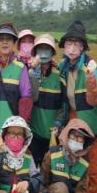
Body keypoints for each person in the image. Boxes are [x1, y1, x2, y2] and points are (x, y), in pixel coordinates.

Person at [57, 20, 97, 193]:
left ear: (83, 47)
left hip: (94, 126)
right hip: (74, 122)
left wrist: (91, 82)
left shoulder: (90, 67)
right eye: (69, 43)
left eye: (77, 43)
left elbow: (95, 100)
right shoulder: (62, 67)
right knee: (74, 168)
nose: (72, 48)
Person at [40, 118, 97, 193]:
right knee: (62, 190)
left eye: (80, 137)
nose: (77, 140)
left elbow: (81, 192)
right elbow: (41, 184)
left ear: (85, 142)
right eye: (74, 136)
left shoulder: (84, 162)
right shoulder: (53, 154)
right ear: (66, 136)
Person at [0, 23, 33, 148]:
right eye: (1, 39)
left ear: (14, 43)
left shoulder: (20, 67)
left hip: (11, 132)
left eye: (8, 39)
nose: (5, 42)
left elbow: (26, 100)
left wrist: (20, 129)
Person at [28, 34, 62, 165]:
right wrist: (34, 75)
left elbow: (64, 104)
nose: (43, 52)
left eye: (47, 48)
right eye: (40, 48)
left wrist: (59, 123)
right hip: (34, 134)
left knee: (50, 169)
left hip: (53, 135)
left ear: (52, 52)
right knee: (33, 169)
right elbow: (32, 98)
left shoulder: (59, 74)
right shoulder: (29, 73)